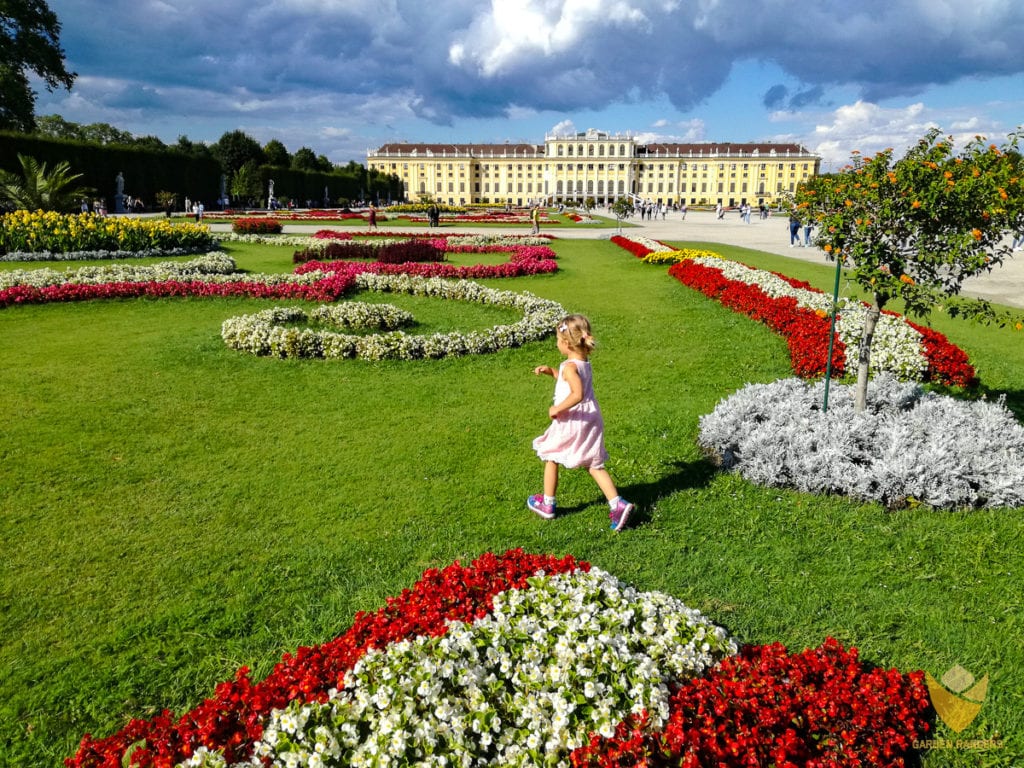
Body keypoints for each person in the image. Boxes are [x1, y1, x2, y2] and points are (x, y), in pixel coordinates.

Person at [528, 315, 635, 531]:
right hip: (591, 419)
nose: (557, 344)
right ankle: (617, 504)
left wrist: (557, 408)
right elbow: (569, 382)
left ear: (566, 344)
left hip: (573, 419)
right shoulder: (582, 362)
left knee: (550, 455)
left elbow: (577, 394)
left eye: (558, 340)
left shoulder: (570, 367)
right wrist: (552, 372)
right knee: (594, 465)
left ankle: (547, 504)